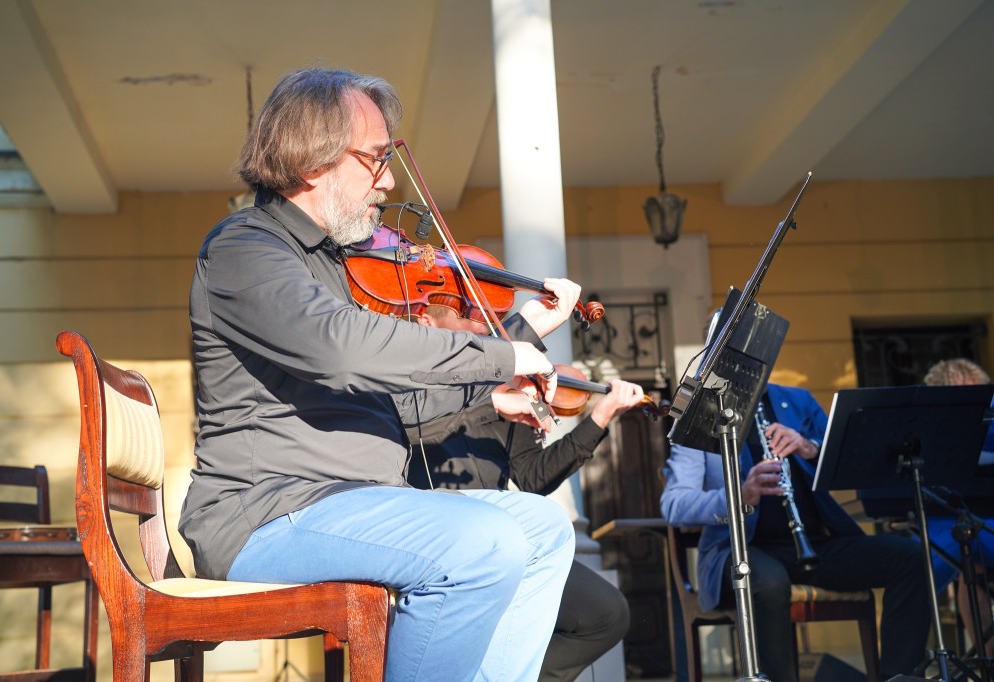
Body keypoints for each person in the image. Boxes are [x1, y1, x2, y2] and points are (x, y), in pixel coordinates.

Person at [179, 67, 582, 681]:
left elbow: (388, 408)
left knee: (543, 526)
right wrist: (501, 355)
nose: (388, 179)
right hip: (266, 516)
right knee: (482, 542)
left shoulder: (338, 267)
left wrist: (497, 376)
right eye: (374, 158)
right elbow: (340, 348)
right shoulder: (244, 248)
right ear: (313, 161)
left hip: (347, 505)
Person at [405, 304, 645, 682]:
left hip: (505, 541)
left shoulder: (511, 393)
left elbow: (534, 477)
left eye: (478, 316)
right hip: (441, 539)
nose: (478, 324)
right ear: (426, 321)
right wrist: (490, 402)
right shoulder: (413, 378)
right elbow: (414, 427)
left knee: (606, 613)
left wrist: (601, 416)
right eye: (463, 314)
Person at [660, 381, 930, 681]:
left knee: (910, 557)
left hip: (815, 545)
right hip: (740, 550)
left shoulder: (797, 400)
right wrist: (740, 494)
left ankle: (900, 677)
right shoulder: (698, 413)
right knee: (769, 582)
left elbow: (850, 463)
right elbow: (674, 505)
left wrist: (809, 448)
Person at [923, 358, 994, 656]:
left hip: (985, 517)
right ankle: (988, 662)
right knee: (965, 561)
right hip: (946, 518)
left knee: (971, 559)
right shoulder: (928, 427)